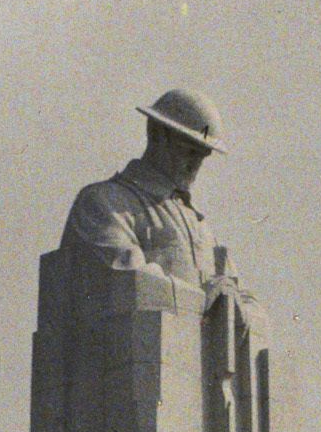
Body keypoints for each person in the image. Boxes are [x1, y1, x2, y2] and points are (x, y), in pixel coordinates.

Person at [61, 87, 245, 296]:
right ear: (156, 134)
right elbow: (129, 279)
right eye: (190, 151)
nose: (196, 164)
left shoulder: (200, 226)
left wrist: (237, 308)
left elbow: (243, 296)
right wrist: (205, 298)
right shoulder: (103, 203)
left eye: (204, 155)